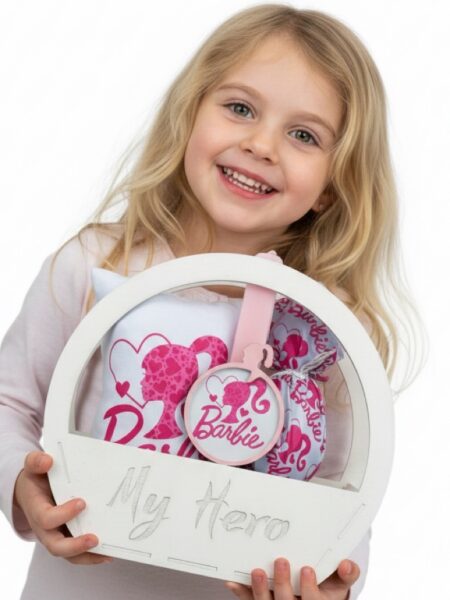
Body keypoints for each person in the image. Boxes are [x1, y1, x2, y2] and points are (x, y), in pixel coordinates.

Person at [0, 4, 419, 600]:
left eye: (304, 135)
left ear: (333, 185)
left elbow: (343, 486)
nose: (261, 144)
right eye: (240, 108)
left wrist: (333, 580)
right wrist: (22, 485)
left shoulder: (324, 329)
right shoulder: (96, 264)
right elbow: (9, 403)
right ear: (189, 115)